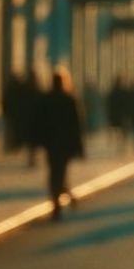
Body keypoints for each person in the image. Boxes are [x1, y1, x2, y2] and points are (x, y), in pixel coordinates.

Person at [34, 66, 86, 220]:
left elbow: (39, 122)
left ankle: (57, 202)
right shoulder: (69, 99)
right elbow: (77, 124)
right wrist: (79, 146)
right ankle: (65, 197)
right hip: (65, 143)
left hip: (51, 143)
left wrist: (40, 140)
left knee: (54, 172)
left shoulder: (46, 99)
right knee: (61, 172)